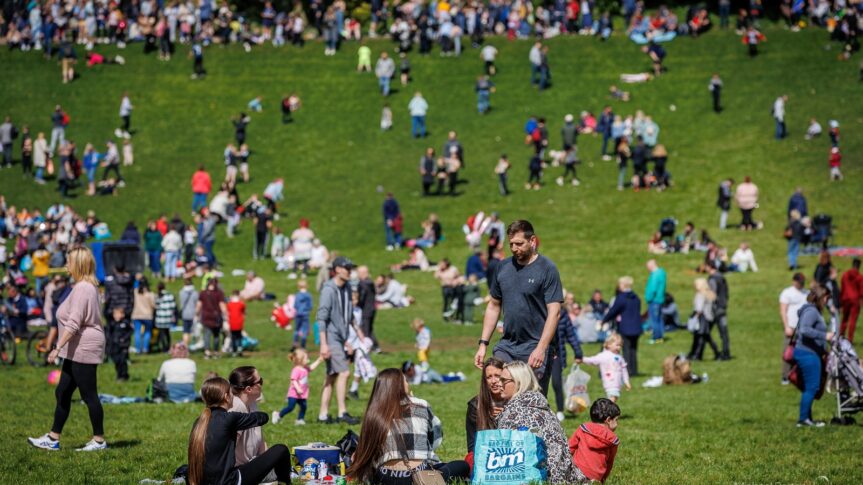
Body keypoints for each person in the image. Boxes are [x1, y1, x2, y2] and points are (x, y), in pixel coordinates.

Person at [28, 247, 107, 452]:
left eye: (69, 261)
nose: (66, 266)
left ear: (78, 264)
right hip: (76, 347)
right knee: (62, 391)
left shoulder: (83, 288)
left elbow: (74, 323)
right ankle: (53, 438)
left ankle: (99, 440)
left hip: (84, 346)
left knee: (89, 395)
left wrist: (57, 347)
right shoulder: (83, 287)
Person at [475, 220, 563, 394]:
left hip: (535, 346)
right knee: (496, 393)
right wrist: (483, 344)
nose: (515, 248)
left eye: (519, 244)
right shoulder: (503, 267)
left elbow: (555, 313)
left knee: (531, 400)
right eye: (511, 244)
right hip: (507, 345)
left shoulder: (547, 269)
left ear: (532, 241)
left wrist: (541, 348)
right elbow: (493, 306)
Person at [347, 369, 471, 484]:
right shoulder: (420, 404)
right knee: (461, 466)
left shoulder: (373, 413)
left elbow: (367, 452)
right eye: (405, 380)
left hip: (386, 477)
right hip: (419, 475)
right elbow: (436, 439)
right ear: (400, 385)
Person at [186, 377, 293, 485]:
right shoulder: (230, 418)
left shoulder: (198, 422)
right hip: (229, 481)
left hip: (201, 481)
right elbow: (263, 417)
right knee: (281, 449)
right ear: (226, 397)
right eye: (231, 393)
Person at [495, 361, 576, 484]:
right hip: (562, 476)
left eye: (503, 380)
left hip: (536, 477)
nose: (498, 383)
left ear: (518, 382)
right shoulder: (541, 405)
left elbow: (503, 455)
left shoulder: (514, 412)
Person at [317, 256, 360, 425]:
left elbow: (346, 315)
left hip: (340, 338)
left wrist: (347, 340)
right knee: (344, 372)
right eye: (346, 268)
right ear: (337, 270)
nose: (350, 271)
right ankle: (343, 412)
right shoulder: (328, 289)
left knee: (332, 376)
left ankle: (323, 415)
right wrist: (323, 344)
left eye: (351, 268)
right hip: (330, 337)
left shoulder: (347, 288)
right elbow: (322, 318)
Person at [793, 285, 833, 427]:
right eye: (826, 297)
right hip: (807, 354)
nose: (828, 300)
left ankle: (807, 418)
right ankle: (803, 420)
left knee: (809, 387)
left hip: (810, 353)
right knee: (812, 387)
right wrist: (824, 335)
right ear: (820, 297)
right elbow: (804, 330)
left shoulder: (814, 311)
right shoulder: (811, 311)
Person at [568, 398, 621, 483]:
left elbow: (569, 448)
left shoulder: (583, 428)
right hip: (595, 478)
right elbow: (609, 463)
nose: (617, 423)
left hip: (575, 472)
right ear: (608, 420)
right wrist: (602, 480)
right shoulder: (613, 440)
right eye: (616, 420)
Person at [602, 276, 642, 376]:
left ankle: (628, 371)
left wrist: (604, 320)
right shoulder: (636, 297)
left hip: (625, 327)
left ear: (623, 285)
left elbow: (613, 311)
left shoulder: (621, 298)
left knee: (626, 349)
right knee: (633, 349)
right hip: (636, 327)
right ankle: (634, 370)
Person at [465, 357, 505, 456]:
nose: (493, 381)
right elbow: (472, 446)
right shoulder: (475, 405)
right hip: (485, 454)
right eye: (489, 377)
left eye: (497, 376)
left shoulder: (516, 401)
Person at [273, 348, 323, 425]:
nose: (308, 359)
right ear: (300, 360)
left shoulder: (305, 369)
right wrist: (298, 388)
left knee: (304, 406)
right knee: (290, 407)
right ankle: (278, 415)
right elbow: (294, 380)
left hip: (302, 394)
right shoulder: (296, 370)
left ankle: (300, 419)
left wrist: (319, 360)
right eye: (306, 358)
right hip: (294, 393)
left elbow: (312, 367)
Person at [551, 305, 583, 420]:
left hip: (556, 353)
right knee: (539, 384)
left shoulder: (563, 314)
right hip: (539, 352)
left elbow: (571, 335)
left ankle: (560, 410)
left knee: (556, 382)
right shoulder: (538, 309)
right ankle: (542, 411)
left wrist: (578, 352)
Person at [582, 334, 630, 402]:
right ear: (608, 344)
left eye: (620, 345)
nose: (619, 347)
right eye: (617, 345)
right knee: (612, 398)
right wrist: (582, 359)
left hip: (618, 383)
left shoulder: (620, 357)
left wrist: (626, 381)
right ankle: (606, 411)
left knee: (614, 398)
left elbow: (624, 370)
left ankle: (606, 410)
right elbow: (593, 360)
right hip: (610, 382)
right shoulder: (604, 356)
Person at [779, 273, 808, 385]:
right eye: (799, 282)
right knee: (788, 352)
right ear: (794, 281)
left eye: (802, 282)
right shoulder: (787, 293)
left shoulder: (807, 293)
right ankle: (785, 376)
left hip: (804, 328)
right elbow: (783, 310)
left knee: (803, 352)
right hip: (791, 327)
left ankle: (799, 375)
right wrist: (786, 326)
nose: (801, 284)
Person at [198, 278, 227, 359]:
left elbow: (199, 305)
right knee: (216, 335)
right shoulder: (219, 293)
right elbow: (222, 305)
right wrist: (226, 315)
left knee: (207, 334)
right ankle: (216, 352)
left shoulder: (203, 293)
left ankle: (207, 352)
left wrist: (196, 314)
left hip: (206, 316)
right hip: (216, 317)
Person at [707, 265, 731, 360]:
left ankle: (716, 352)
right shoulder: (722, 277)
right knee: (724, 333)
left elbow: (712, 295)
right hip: (722, 307)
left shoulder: (713, 279)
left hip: (715, 310)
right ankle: (726, 353)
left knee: (705, 332)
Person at [840, 259, 863, 343]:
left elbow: (842, 288)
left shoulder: (845, 275)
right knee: (853, 320)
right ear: (859, 266)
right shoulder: (860, 277)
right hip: (855, 300)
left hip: (845, 299)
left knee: (844, 319)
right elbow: (861, 291)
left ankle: (841, 336)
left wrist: (840, 300)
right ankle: (849, 339)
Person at [132, 278, 157, 355]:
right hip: (147, 315)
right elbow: (153, 305)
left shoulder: (135, 292)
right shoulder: (150, 294)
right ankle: (145, 348)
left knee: (137, 332)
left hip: (136, 314)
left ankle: (138, 349)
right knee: (147, 332)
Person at [645, 259, 667, 344]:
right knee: (659, 319)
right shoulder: (662, 273)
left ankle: (656, 337)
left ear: (651, 266)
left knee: (654, 320)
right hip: (660, 299)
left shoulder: (655, 275)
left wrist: (648, 298)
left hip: (654, 300)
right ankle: (660, 336)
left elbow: (652, 289)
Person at [293, 279, 314, 348]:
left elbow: (295, 305)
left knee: (297, 329)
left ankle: (295, 342)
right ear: (307, 286)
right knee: (305, 329)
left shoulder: (297, 295)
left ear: (298, 287)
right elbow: (310, 306)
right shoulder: (309, 295)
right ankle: (303, 343)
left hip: (298, 313)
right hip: (305, 314)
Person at [179, 278, 199, 346]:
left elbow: (181, 304)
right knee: (191, 331)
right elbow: (197, 304)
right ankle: (190, 344)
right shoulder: (195, 293)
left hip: (185, 313)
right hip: (193, 313)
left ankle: (185, 345)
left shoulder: (181, 292)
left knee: (185, 331)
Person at [226, 290, 246, 356]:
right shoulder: (241, 304)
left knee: (233, 337)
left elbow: (228, 312)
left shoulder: (229, 304)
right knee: (239, 336)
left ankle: (234, 351)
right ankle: (240, 347)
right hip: (239, 322)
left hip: (232, 322)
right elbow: (243, 312)